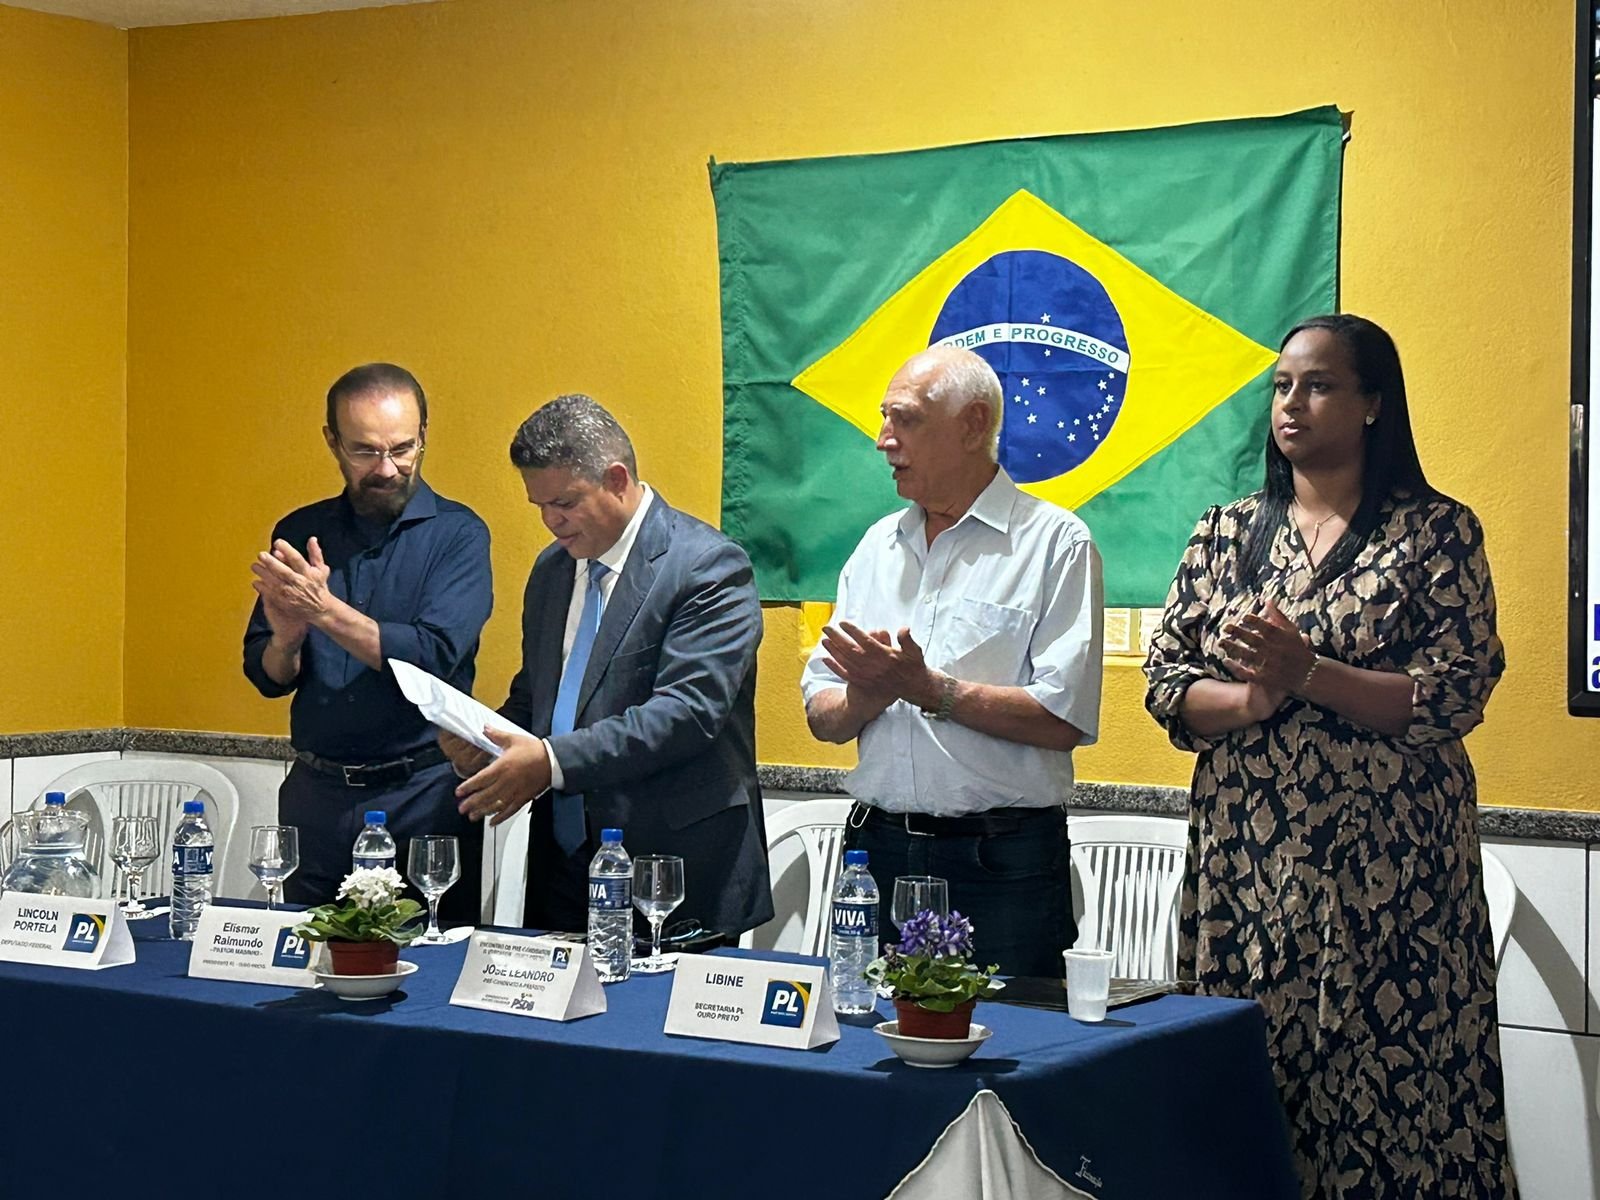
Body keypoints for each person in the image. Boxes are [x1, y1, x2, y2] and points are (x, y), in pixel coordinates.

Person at [1142, 314, 1517, 1198]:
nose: (1292, 404)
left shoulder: (1434, 532)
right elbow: (1165, 683)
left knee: (1395, 1095)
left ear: (1373, 404)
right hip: (1250, 864)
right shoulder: (1228, 533)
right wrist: (1252, 699)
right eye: (1281, 387)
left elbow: (1457, 690)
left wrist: (1310, 672)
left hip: (1395, 875)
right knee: (1252, 1083)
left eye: (1317, 385)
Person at [801, 346, 1103, 978]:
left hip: (1003, 863)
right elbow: (823, 718)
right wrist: (872, 694)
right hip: (876, 854)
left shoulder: (1055, 544)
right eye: (883, 419)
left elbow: (1061, 719)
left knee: (1015, 1053)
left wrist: (927, 688)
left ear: (971, 424)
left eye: (904, 420)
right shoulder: (875, 548)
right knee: (869, 1053)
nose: (884, 441)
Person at [441, 394, 773, 940]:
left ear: (617, 479)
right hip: (565, 861)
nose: (551, 522)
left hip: (672, 868)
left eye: (565, 502)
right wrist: (486, 740)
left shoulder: (708, 567)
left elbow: (685, 714)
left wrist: (546, 762)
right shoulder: (553, 571)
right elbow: (541, 696)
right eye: (539, 506)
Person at [243, 362, 492, 921]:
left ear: (424, 436)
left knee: (426, 976)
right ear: (332, 441)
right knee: (302, 973)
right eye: (364, 452)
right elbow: (265, 675)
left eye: (403, 449)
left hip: (422, 799)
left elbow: (434, 655)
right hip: (316, 794)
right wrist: (286, 641)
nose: (387, 468)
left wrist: (324, 612)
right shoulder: (301, 531)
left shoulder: (459, 534)